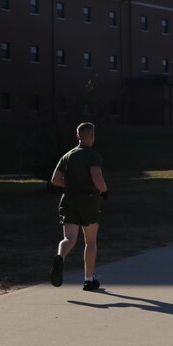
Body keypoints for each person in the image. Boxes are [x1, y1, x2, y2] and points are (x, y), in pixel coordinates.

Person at [50, 122, 108, 291]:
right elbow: (97, 179)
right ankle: (88, 280)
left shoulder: (67, 156)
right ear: (92, 136)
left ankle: (60, 257)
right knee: (90, 241)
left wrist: (71, 186)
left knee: (69, 239)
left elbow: (55, 179)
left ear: (77, 137)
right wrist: (104, 189)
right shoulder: (93, 156)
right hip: (89, 201)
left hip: (68, 200)